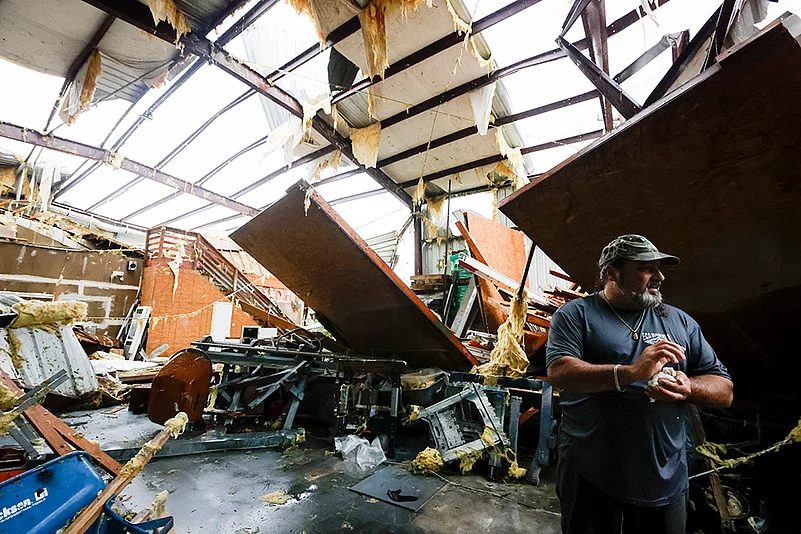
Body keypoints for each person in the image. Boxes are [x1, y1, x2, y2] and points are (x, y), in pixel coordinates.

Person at [546, 234, 733, 534]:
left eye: (660, 268)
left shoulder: (679, 322)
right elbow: (559, 371)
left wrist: (688, 388)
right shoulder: (576, 315)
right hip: (592, 470)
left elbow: (724, 389)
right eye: (646, 268)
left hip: (664, 476)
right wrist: (630, 372)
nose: (659, 276)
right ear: (611, 273)